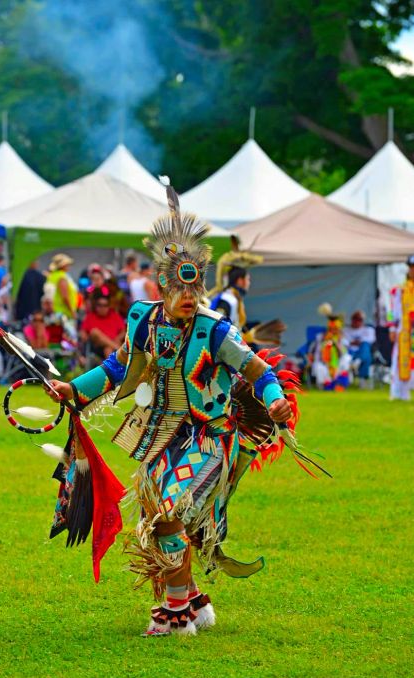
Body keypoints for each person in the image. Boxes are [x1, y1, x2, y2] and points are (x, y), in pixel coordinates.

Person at [45, 181, 294, 637]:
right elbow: (119, 365)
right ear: (161, 282)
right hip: (161, 435)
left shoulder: (215, 330)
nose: (187, 294)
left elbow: (258, 370)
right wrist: (73, 390)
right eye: (179, 284)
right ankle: (194, 599)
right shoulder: (142, 318)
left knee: (167, 513)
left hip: (210, 436)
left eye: (195, 284)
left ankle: (175, 612)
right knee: (163, 518)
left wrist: (275, 398)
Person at [389, 255, 414, 401]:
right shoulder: (400, 290)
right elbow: (392, 311)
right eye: (412, 268)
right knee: (401, 360)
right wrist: (392, 328)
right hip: (404, 329)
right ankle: (400, 392)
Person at [343, 310, 376, 387]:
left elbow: (370, 340)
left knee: (365, 346)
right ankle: (361, 375)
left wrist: (357, 342)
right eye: (355, 319)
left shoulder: (368, 329)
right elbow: (344, 342)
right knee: (365, 356)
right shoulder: (346, 330)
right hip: (350, 352)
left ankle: (359, 362)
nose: (357, 321)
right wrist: (355, 342)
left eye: (359, 319)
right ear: (352, 320)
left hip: (363, 351)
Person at [45, 253, 78, 321]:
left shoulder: (52, 276)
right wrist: (72, 311)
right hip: (63, 313)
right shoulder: (62, 277)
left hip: (54, 311)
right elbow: (65, 296)